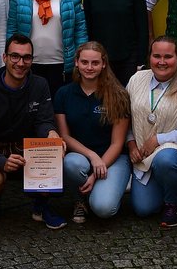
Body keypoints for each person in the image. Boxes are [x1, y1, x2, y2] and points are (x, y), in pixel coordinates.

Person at [0, 33, 67, 230]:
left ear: (32, 60)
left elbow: (44, 121)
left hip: (28, 148)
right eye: (15, 56)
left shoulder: (40, 84)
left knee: (53, 152)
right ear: (4, 57)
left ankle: (41, 205)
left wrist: (51, 133)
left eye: (26, 57)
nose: (20, 63)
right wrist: (2, 162)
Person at [127, 36, 177, 228]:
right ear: (149, 57)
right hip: (144, 155)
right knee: (143, 209)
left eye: (168, 56)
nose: (162, 62)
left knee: (165, 160)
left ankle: (174, 204)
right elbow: (125, 119)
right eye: (157, 56)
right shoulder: (136, 79)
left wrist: (158, 139)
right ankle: (160, 183)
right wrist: (131, 144)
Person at [54, 42, 131, 223]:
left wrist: (96, 173)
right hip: (80, 157)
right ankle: (80, 199)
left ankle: (104, 189)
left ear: (103, 64)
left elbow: (117, 143)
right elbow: (64, 136)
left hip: (113, 158)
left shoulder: (118, 95)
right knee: (71, 163)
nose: (89, 67)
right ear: (76, 62)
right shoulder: (64, 93)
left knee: (104, 209)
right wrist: (92, 156)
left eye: (95, 63)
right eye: (84, 62)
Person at [7, 0, 88, 96]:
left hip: (63, 65)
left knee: (60, 107)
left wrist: (81, 60)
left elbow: (80, 29)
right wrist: (13, 59)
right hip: (28, 64)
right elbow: (12, 28)